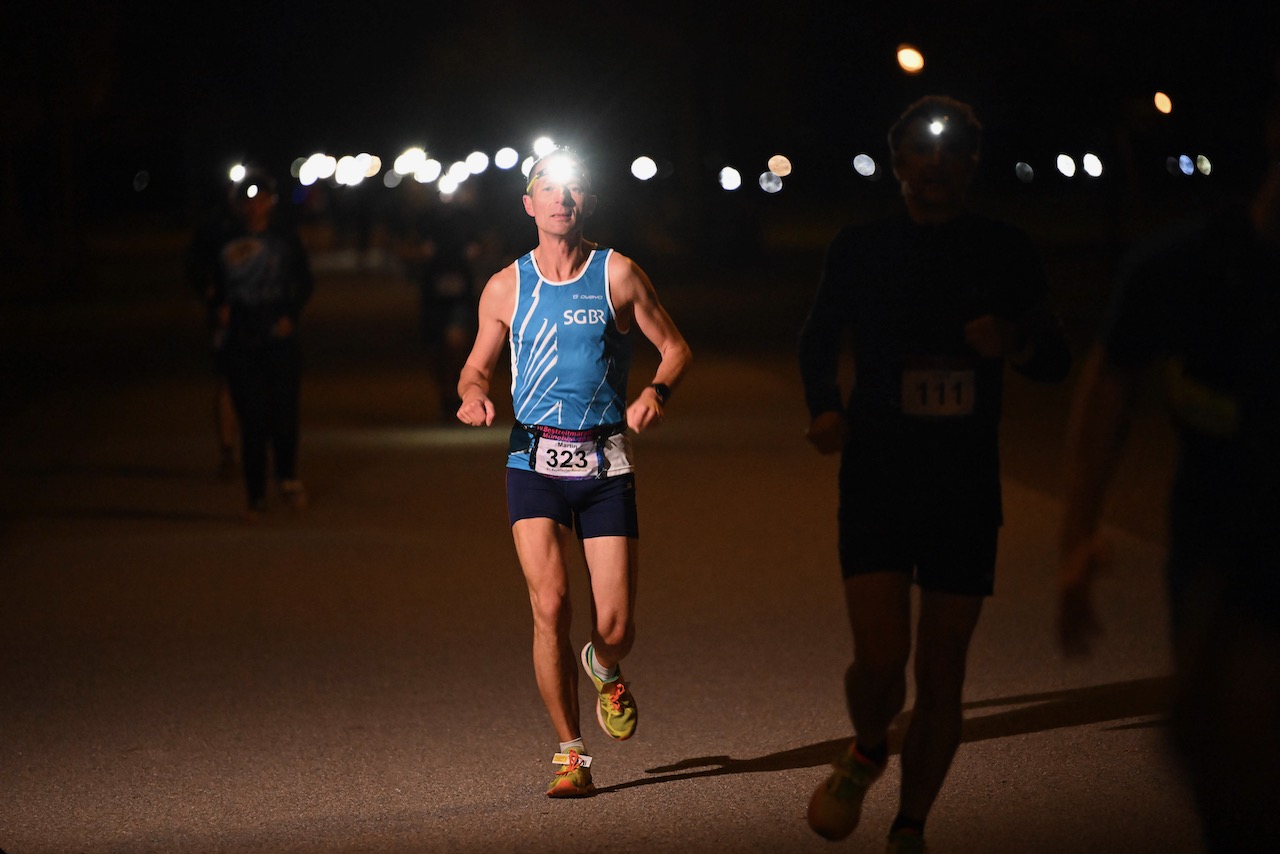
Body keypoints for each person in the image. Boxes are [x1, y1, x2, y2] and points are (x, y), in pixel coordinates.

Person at [798, 96, 1071, 853]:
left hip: (964, 482)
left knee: (943, 670)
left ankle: (910, 826)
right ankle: (865, 747)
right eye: (922, 151)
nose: (938, 165)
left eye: (954, 154)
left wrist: (1012, 341)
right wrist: (824, 408)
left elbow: (1056, 359)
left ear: (972, 165)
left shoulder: (1005, 249)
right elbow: (818, 338)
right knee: (881, 661)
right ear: (898, 163)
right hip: (879, 472)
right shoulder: (860, 247)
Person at [1058, 98, 1280, 853]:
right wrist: (1076, 538)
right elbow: (1106, 393)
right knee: (1226, 760)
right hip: (1227, 551)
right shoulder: (1187, 264)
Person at [456, 147, 691, 797]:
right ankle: (570, 751)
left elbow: (674, 348)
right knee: (550, 604)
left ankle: (604, 664)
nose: (562, 199)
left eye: (574, 189)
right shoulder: (506, 286)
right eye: (548, 191)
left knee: (615, 625)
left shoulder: (618, 274)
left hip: (606, 458)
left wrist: (656, 393)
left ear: (584, 202)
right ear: (529, 205)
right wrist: (474, 391)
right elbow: (476, 363)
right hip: (533, 457)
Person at [207, 168, 315, 520]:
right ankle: (255, 494)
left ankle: (287, 477)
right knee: (251, 418)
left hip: (279, 337)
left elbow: (305, 281)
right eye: (249, 200)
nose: (256, 206)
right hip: (241, 338)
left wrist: (290, 315)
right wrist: (217, 306)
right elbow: (204, 278)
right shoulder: (223, 239)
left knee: (283, 414)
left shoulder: (284, 238)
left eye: (262, 199)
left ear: (272, 202)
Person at [185, 193, 240, 480]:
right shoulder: (215, 228)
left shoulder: (271, 229)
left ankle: (259, 449)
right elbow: (194, 266)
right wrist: (210, 294)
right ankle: (228, 451)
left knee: (258, 384)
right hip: (225, 319)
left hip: (261, 319)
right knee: (227, 382)